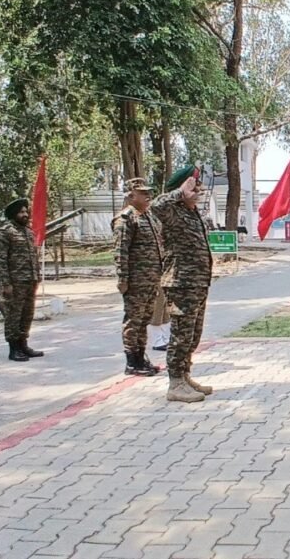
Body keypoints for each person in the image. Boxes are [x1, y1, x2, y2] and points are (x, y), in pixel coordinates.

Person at [152, 165, 214, 403]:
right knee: (180, 335)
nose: (197, 191)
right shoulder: (172, 210)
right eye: (193, 186)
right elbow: (156, 205)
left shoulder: (191, 212)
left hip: (196, 283)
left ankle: (185, 376)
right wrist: (179, 192)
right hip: (181, 283)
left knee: (192, 335)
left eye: (197, 186)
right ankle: (175, 382)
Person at [113, 178, 165, 377]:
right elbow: (120, 251)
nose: (148, 196)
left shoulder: (148, 216)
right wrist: (123, 278)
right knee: (133, 321)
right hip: (135, 280)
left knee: (144, 320)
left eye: (148, 192)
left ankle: (141, 356)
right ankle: (131, 361)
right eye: (143, 193)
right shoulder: (126, 219)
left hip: (151, 278)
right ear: (131, 196)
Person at [0, 198, 43, 362]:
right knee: (14, 315)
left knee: (27, 314)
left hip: (30, 280)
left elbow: (33, 256)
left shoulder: (28, 232)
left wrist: (37, 275)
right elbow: (1, 260)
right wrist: (6, 283)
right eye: (21, 212)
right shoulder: (5, 232)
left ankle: (23, 344)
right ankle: (13, 348)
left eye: (25, 211)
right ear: (13, 214)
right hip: (15, 282)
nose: (25, 214)